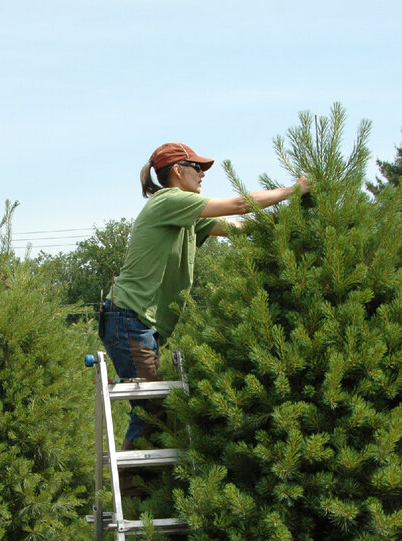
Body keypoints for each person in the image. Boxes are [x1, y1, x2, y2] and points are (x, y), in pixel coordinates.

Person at [100, 142, 310, 448]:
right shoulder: (169, 201)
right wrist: (294, 189)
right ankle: (133, 489)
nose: (203, 175)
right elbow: (238, 204)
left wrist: (286, 218)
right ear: (177, 171)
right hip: (129, 317)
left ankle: (143, 486)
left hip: (138, 321)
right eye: (198, 168)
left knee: (155, 407)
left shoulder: (187, 213)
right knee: (153, 407)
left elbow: (237, 226)